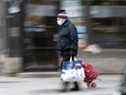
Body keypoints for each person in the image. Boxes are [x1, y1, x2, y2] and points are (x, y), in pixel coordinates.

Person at [56, 10, 79, 91]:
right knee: (71, 68)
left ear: (63, 18)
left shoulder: (70, 26)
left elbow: (74, 39)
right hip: (64, 51)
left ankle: (65, 86)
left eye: (59, 18)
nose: (57, 19)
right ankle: (76, 85)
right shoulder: (62, 27)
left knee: (65, 68)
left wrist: (73, 51)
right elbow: (62, 39)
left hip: (69, 51)